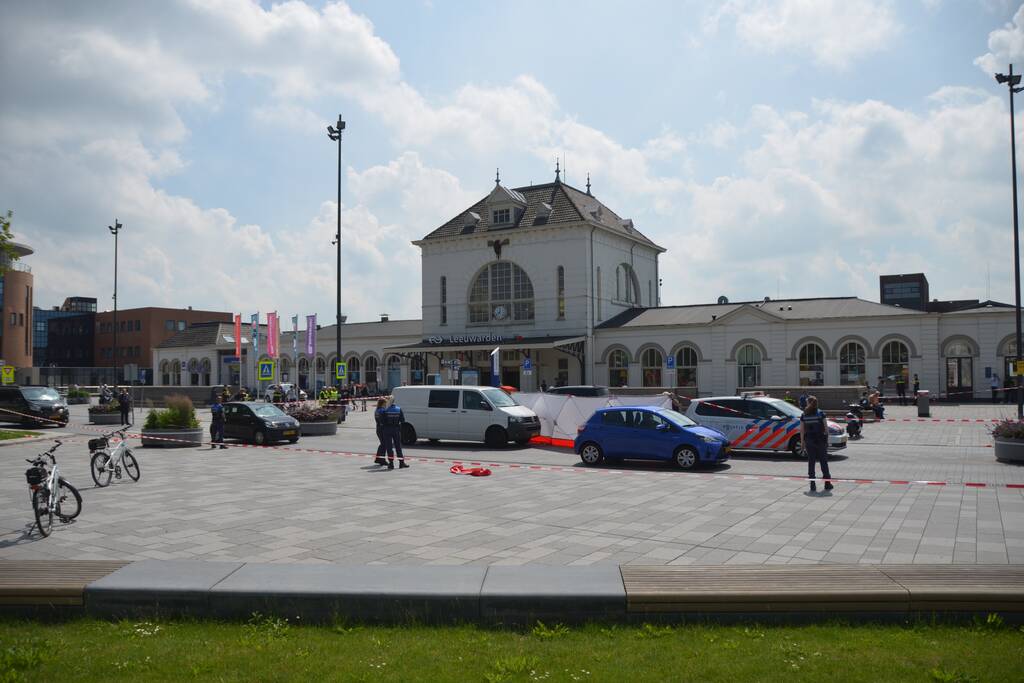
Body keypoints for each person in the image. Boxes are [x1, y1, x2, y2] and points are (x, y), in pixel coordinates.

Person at [799, 395, 832, 493]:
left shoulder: (804, 414)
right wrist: (827, 440)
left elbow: (802, 430)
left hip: (809, 441)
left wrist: (802, 443)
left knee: (811, 462)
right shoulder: (821, 413)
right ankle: (827, 484)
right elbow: (826, 429)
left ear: (808, 403)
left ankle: (812, 485)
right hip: (821, 440)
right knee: (823, 462)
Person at [382, 398, 408, 469]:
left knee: (389, 447)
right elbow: (402, 420)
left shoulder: (385, 410)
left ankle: (391, 464)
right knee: (398, 447)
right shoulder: (398, 409)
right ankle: (401, 463)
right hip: (396, 429)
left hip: (387, 429)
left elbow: (382, 421)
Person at [372, 398, 388, 466]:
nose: (386, 404)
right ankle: (382, 459)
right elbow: (385, 419)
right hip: (382, 429)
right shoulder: (382, 410)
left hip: (378, 428)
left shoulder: (377, 410)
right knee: (384, 444)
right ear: (383, 403)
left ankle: (378, 459)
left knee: (382, 444)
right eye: (385, 403)